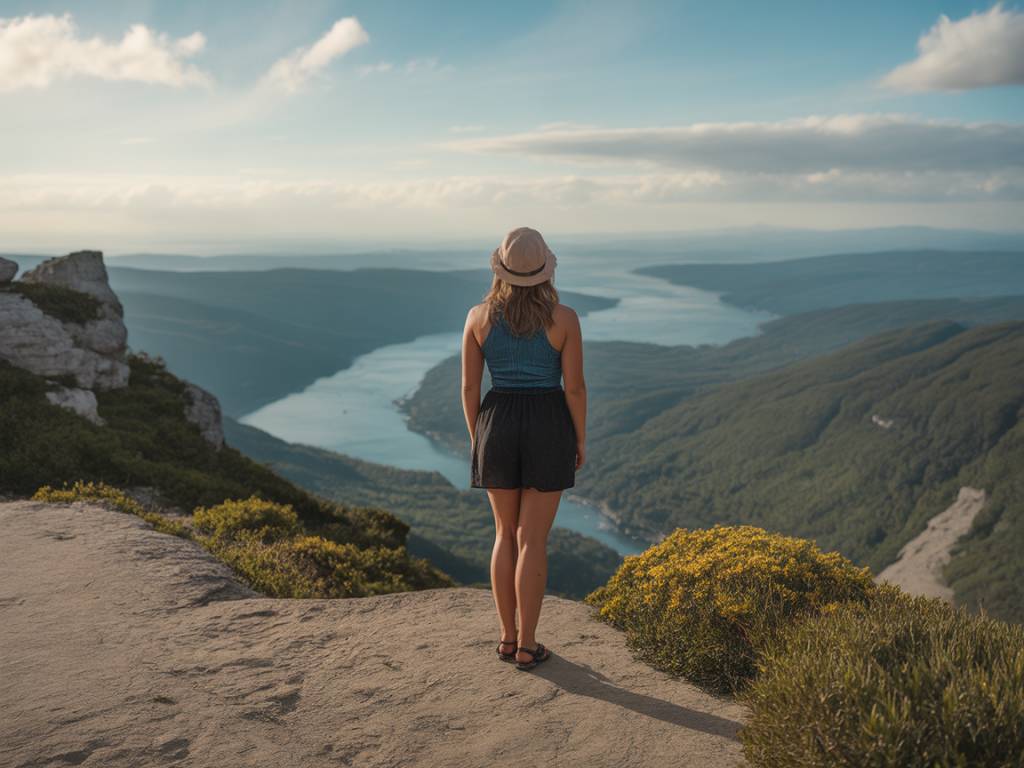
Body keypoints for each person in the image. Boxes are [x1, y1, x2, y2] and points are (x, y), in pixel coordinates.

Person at [461, 226, 587, 672]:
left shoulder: (478, 317)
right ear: (545, 272)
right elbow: (573, 388)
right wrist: (579, 437)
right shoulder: (565, 318)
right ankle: (529, 645)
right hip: (548, 423)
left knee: (503, 535)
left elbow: (470, 387)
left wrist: (479, 437)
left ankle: (506, 637)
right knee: (533, 538)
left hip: (496, 422)